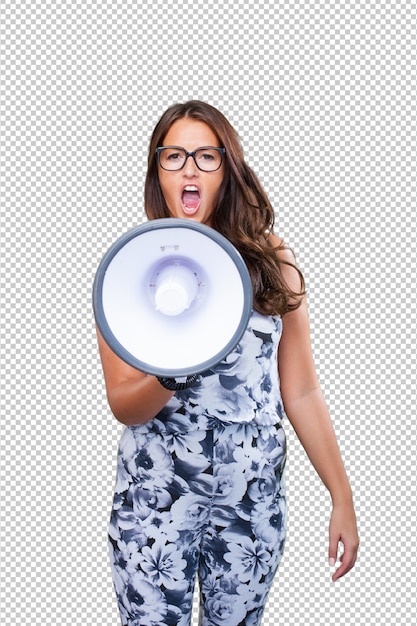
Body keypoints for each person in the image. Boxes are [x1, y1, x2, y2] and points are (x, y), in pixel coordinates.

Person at [96, 100, 359, 626]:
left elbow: (301, 391)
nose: (189, 168)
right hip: (156, 503)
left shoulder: (272, 259)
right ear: (157, 171)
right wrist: (175, 368)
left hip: (250, 504)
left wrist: (341, 496)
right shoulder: (131, 266)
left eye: (205, 157)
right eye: (173, 156)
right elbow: (124, 404)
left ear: (227, 169)